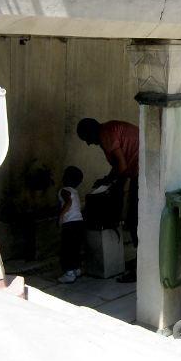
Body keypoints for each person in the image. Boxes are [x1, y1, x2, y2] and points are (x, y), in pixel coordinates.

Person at [77, 118, 139, 283]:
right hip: (141, 170)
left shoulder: (105, 133)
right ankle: (139, 261)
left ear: (90, 130)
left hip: (143, 172)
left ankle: (139, 268)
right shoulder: (111, 129)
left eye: (86, 139)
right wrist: (113, 183)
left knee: (135, 220)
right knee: (135, 220)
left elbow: (121, 165)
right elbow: (123, 168)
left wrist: (107, 182)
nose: (89, 144)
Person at [57, 166, 84, 284]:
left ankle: (69, 273)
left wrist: (61, 217)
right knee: (75, 247)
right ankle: (77, 269)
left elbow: (68, 202)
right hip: (79, 222)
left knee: (67, 247)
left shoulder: (64, 191)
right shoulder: (75, 192)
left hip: (70, 223)